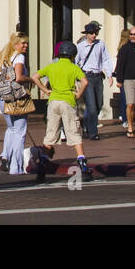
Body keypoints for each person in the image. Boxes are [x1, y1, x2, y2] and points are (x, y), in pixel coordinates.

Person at [35, 40, 90, 176]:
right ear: (72, 55)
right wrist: (79, 94)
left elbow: (35, 77)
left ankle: (42, 163)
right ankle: (82, 163)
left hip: (53, 101)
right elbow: (85, 81)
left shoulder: (52, 66)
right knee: (74, 133)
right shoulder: (74, 67)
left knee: (50, 133)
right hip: (68, 101)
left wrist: (45, 90)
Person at [0, 31, 41, 175]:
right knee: (20, 132)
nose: (26, 45)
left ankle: (5, 156)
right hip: (16, 99)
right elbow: (19, 78)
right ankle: (16, 167)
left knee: (11, 129)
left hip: (3, 98)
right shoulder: (19, 57)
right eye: (23, 43)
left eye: (26, 43)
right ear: (15, 44)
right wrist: (31, 80)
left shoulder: (6, 56)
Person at [75, 21, 111, 140]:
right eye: (91, 33)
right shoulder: (80, 47)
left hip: (98, 76)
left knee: (99, 104)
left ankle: (86, 123)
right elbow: (75, 63)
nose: (94, 35)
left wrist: (109, 75)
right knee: (91, 106)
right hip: (87, 76)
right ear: (87, 34)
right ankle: (93, 133)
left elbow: (105, 59)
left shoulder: (100, 44)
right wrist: (76, 79)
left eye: (96, 32)